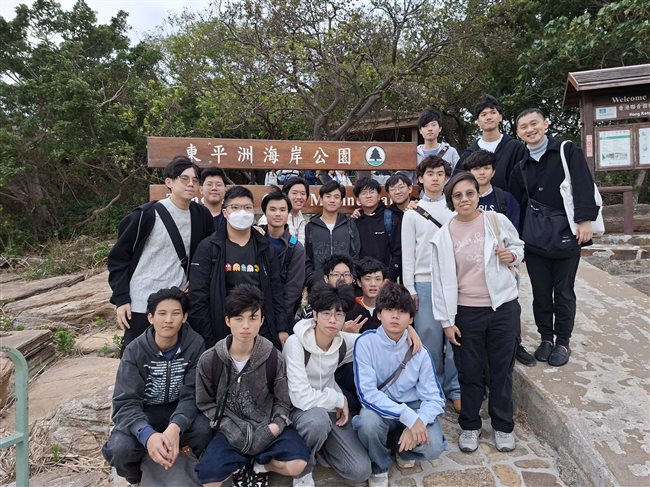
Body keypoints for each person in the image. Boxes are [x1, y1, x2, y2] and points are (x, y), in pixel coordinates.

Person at [432, 172, 524, 454]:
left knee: (501, 370)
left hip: (502, 307)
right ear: (451, 200)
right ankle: (470, 425)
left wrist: (512, 256)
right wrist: (447, 322)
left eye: (469, 193)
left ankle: (503, 426)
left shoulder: (496, 221)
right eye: (457, 195)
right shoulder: (443, 235)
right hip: (466, 312)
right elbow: (439, 281)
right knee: (469, 372)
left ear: (478, 195)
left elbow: (518, 246)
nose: (464, 199)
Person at [509, 108, 599, 367]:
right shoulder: (520, 167)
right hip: (535, 240)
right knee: (540, 292)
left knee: (563, 291)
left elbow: (583, 183)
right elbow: (518, 204)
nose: (530, 129)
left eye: (534, 123)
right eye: (523, 126)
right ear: (518, 133)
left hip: (567, 235)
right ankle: (546, 338)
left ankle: (563, 341)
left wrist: (585, 220)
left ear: (545, 124)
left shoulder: (567, 151)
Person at [195, 285, 309, 487]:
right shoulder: (210, 359)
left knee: (297, 464)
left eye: (253, 318)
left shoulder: (273, 357)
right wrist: (229, 428)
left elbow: (283, 401)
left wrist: (274, 427)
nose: (246, 326)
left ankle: (262, 466)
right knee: (209, 479)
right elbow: (205, 403)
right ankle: (239, 464)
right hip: (230, 431)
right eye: (239, 318)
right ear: (228, 321)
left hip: (266, 426)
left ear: (262, 320)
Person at [102, 287, 212, 486]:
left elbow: (193, 394)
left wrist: (176, 427)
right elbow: (125, 403)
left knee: (204, 430)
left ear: (184, 317)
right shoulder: (135, 351)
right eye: (162, 313)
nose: (168, 320)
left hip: (178, 411)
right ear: (150, 318)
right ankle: (137, 478)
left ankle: (184, 465)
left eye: (175, 313)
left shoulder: (195, 344)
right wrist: (147, 435)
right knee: (120, 448)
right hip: (144, 413)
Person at [455, 95, 535, 366]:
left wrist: (514, 250)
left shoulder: (515, 148)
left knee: (510, 298)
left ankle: (515, 344)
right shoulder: (468, 154)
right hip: (472, 254)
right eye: (483, 114)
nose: (488, 117)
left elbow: (523, 191)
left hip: (503, 250)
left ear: (500, 116)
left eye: (492, 112)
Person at [107, 156, 214, 354]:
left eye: (195, 180)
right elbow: (118, 258)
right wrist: (121, 299)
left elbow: (207, 253)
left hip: (178, 301)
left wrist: (195, 280)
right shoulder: (145, 215)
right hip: (142, 301)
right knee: (136, 356)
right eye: (184, 179)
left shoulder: (201, 215)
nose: (191, 184)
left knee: (176, 356)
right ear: (169, 182)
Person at [353, 282, 447, 487]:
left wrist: (419, 420)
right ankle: (380, 466)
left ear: (411, 319)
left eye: (402, 311)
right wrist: (409, 418)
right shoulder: (365, 343)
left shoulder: (420, 352)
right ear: (379, 314)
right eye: (389, 310)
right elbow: (367, 394)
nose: (395, 316)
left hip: (413, 406)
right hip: (380, 409)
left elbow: (434, 398)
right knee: (367, 424)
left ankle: (403, 450)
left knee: (434, 446)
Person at [284, 283, 373, 487]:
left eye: (339, 314)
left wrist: (408, 331)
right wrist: (338, 399)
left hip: (330, 411)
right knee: (317, 422)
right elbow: (300, 397)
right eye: (326, 313)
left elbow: (378, 341)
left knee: (360, 471)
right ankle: (303, 470)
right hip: (300, 412)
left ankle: (322, 447)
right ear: (315, 314)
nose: (333, 320)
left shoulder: (343, 342)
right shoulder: (295, 343)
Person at [188, 186, 290, 350]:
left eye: (247, 207)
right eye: (235, 207)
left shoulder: (265, 248)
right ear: (225, 212)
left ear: (253, 212)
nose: (242, 212)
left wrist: (281, 327)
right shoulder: (209, 247)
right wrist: (208, 339)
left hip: (260, 329)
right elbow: (198, 296)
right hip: (221, 330)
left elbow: (276, 290)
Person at [401, 155, 460, 412]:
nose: (435, 179)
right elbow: (408, 253)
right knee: (428, 340)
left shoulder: (456, 209)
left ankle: (455, 388)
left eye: (440, 174)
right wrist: (410, 287)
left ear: (447, 178)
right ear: (421, 178)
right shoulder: (412, 213)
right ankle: (432, 387)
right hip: (424, 282)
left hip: (454, 282)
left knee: (455, 338)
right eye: (430, 174)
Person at [304, 180, 360, 288]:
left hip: (344, 285)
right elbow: (307, 257)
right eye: (328, 196)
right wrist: (312, 279)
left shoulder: (349, 225)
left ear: (341, 201)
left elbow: (355, 255)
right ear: (321, 199)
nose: (332, 200)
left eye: (336, 197)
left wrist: (351, 277)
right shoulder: (311, 226)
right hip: (318, 285)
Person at [258, 191, 306, 314]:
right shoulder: (255, 239)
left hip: (282, 312)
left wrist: (280, 316)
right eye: (272, 209)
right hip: (254, 309)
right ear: (265, 212)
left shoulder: (295, 248)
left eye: (282, 210)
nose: (278, 214)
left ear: (288, 213)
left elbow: (293, 289)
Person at [352, 177, 400, 280]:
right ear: (358, 200)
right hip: (361, 280)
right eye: (364, 193)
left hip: (385, 279)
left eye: (372, 192)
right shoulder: (354, 221)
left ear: (378, 196)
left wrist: (389, 278)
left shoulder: (390, 219)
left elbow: (398, 252)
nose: (368, 196)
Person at [462, 150, 520, 228]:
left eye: (486, 168)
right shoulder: (460, 199)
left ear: (493, 172)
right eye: (476, 168)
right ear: (468, 173)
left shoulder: (507, 199)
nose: (482, 172)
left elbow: (512, 231)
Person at [401, 108, 460, 184]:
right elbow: (404, 179)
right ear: (420, 130)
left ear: (440, 128)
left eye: (433, 125)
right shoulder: (413, 153)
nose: (430, 129)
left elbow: (459, 176)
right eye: (426, 126)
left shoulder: (451, 152)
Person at [296, 254, 356, 321]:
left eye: (346, 274)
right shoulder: (315, 306)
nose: (342, 278)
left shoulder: (360, 305)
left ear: (351, 278)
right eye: (336, 274)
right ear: (326, 278)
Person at [383, 173, 418, 282]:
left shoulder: (421, 207)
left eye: (401, 187)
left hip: (423, 268)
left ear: (410, 189)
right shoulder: (388, 215)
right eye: (392, 189)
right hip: (400, 271)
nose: (397, 192)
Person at [258, 177, 309, 245]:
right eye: (294, 193)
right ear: (286, 195)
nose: (299, 197)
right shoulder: (270, 218)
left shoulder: (301, 218)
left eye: (303, 193)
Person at [345, 257, 385, 333]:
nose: (373, 284)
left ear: (383, 282)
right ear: (359, 282)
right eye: (367, 279)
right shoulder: (349, 308)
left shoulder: (390, 308)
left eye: (378, 279)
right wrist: (345, 332)